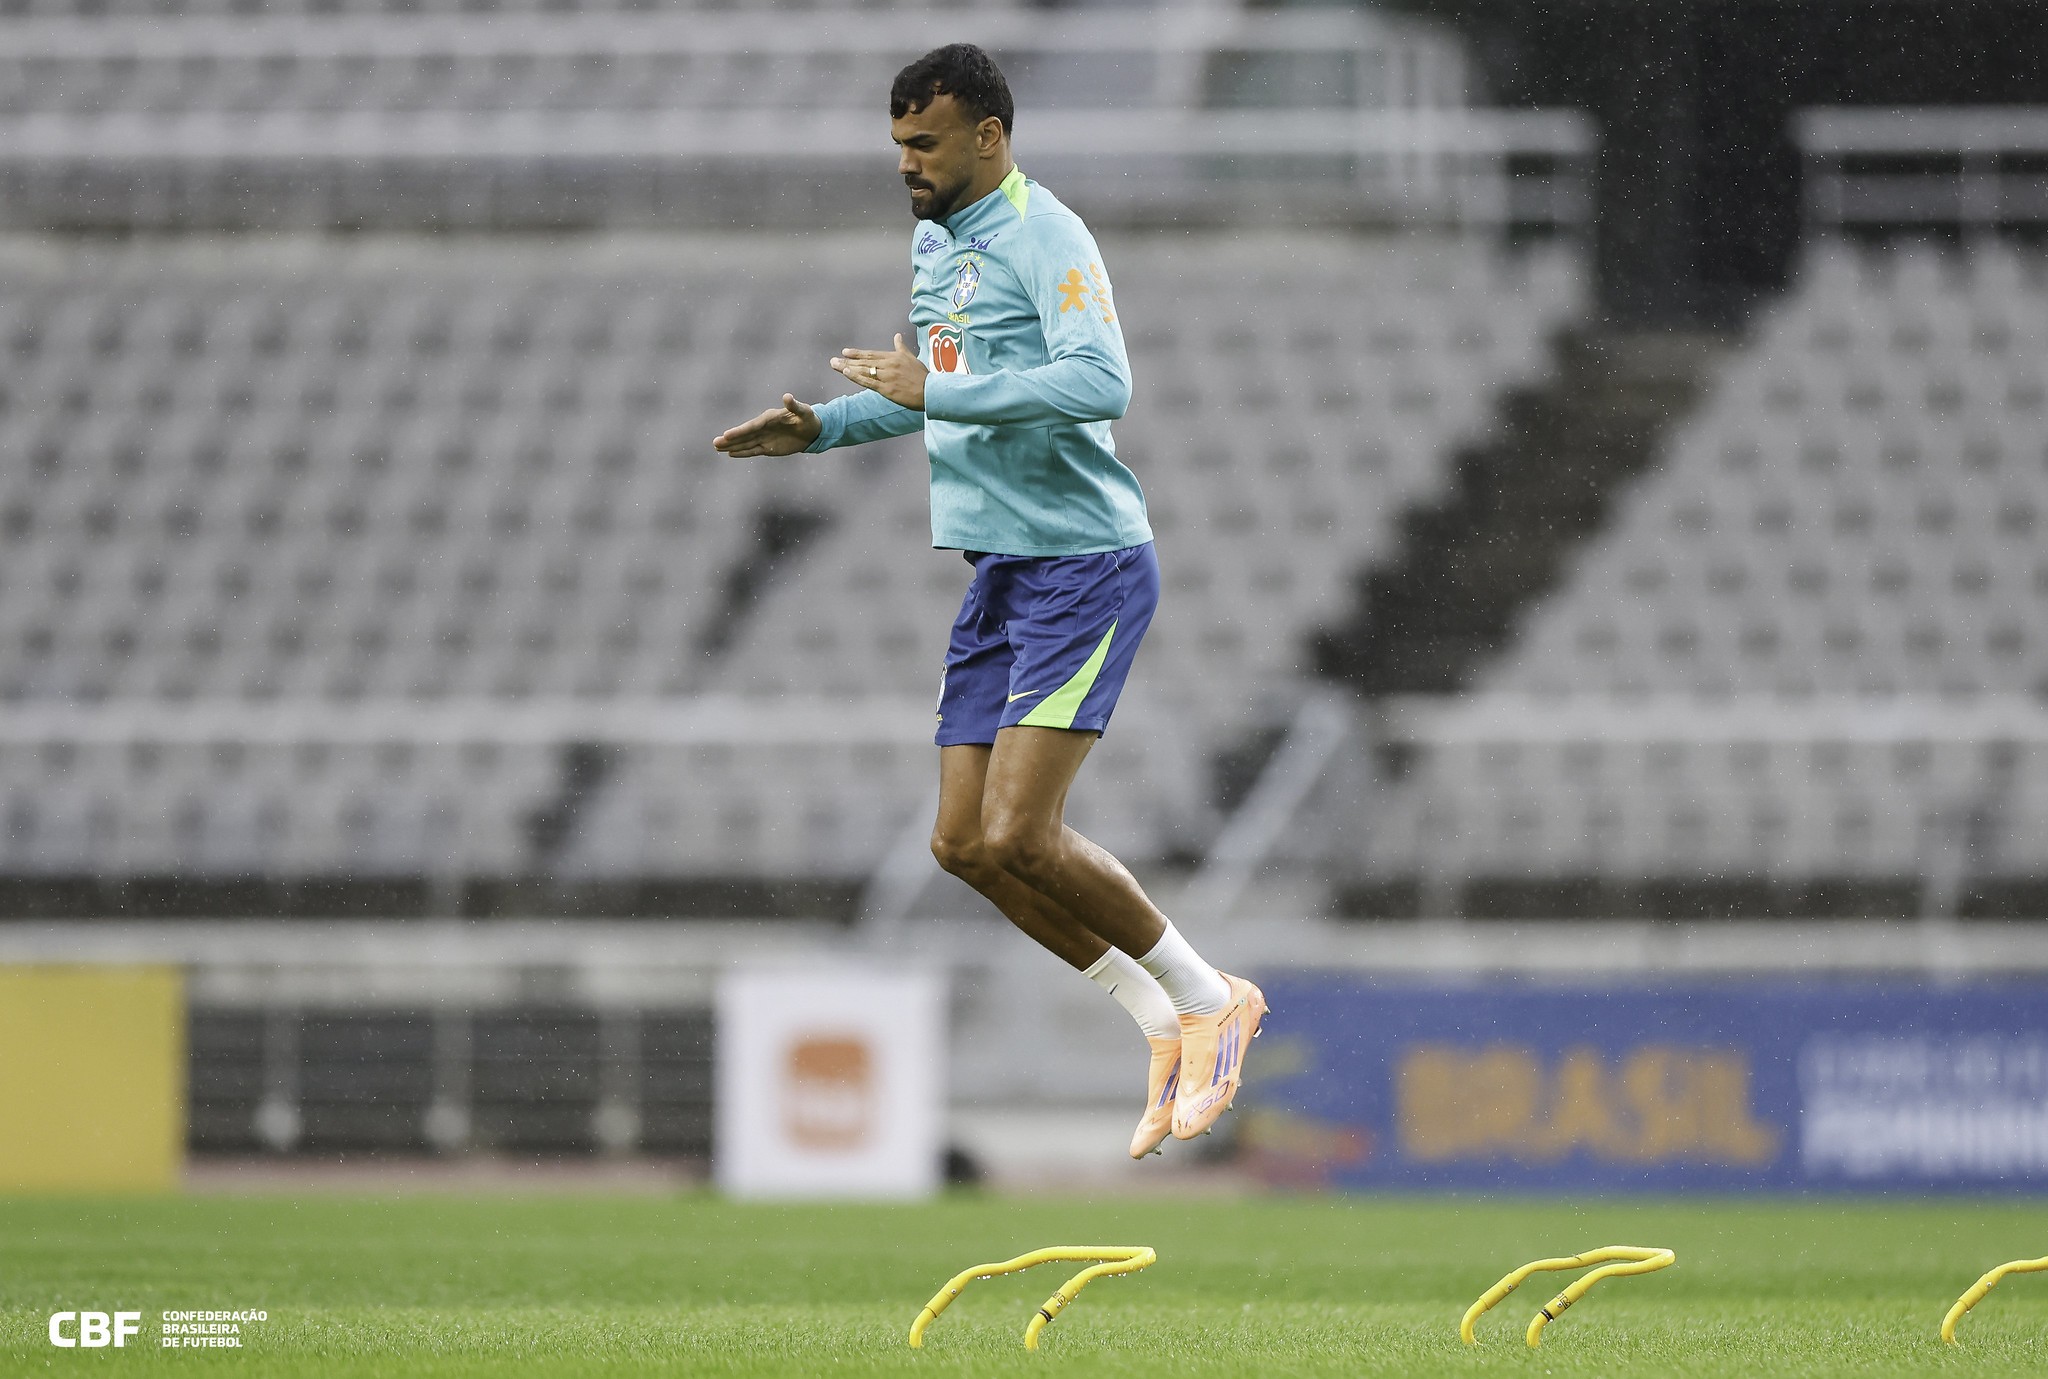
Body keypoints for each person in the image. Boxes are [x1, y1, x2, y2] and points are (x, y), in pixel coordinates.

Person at [713, 43, 1263, 1157]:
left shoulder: (1043, 232)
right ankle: (1159, 1016)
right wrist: (822, 426)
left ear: (988, 137)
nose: (906, 164)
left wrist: (945, 385)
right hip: (998, 569)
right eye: (898, 146)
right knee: (962, 843)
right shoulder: (935, 243)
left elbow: (1100, 379)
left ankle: (1214, 997)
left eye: (924, 144)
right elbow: (935, 395)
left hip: (1082, 562)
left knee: (1023, 828)